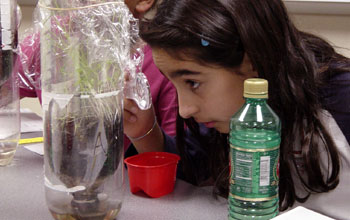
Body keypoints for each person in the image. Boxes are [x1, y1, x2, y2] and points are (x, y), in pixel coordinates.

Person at [123, 0, 350, 218]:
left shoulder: (341, 98)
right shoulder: (226, 120)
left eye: (193, 83)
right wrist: (145, 130)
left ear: (252, 60)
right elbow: (188, 172)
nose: (185, 110)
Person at [16, 0, 177, 150]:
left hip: (127, 178)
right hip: (60, 173)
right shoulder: (56, 38)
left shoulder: (167, 64)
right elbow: (6, 83)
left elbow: (179, 168)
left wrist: (144, 132)